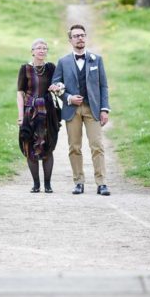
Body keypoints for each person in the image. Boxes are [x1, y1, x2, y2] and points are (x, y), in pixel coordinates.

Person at [49, 23, 111, 195]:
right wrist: (69, 98)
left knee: (97, 145)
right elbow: (55, 85)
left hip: (93, 109)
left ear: (85, 37)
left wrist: (104, 109)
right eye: (76, 36)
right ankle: (78, 182)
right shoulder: (63, 62)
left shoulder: (97, 59)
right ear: (70, 40)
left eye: (82, 35)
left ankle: (101, 183)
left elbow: (103, 86)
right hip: (72, 111)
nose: (80, 38)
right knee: (74, 147)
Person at [16, 38, 61, 193]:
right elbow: (20, 93)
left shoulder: (51, 68)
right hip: (30, 112)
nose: (42, 50)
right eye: (39, 48)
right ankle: (36, 185)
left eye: (44, 48)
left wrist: (57, 88)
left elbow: (59, 85)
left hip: (48, 112)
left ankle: (48, 185)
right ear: (32, 51)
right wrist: (20, 116)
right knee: (30, 147)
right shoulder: (25, 69)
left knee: (48, 147)